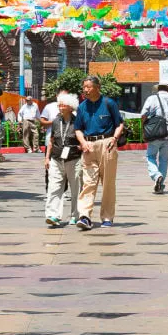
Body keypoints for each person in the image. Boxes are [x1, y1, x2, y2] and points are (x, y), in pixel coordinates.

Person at [74, 75, 124, 231]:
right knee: (88, 182)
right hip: (88, 145)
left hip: (106, 144)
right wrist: (83, 143)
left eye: (88, 87)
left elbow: (119, 124)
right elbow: (77, 129)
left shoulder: (109, 103)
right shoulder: (82, 107)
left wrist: (114, 138)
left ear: (97, 87)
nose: (85, 90)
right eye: (84, 87)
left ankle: (107, 217)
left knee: (108, 183)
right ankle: (85, 216)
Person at [44, 92, 82, 227]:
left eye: (63, 105)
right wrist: (47, 158)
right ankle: (53, 215)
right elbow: (51, 141)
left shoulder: (78, 121)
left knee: (76, 188)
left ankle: (75, 215)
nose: (60, 107)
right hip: (56, 158)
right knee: (54, 187)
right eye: (59, 104)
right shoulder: (55, 121)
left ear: (71, 107)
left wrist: (81, 146)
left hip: (74, 159)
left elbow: (83, 139)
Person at [140, 83, 168, 193]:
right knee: (164, 159)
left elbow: (143, 115)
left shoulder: (151, 99)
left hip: (155, 132)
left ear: (158, 89)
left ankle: (156, 176)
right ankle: (160, 184)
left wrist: (144, 128)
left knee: (150, 156)